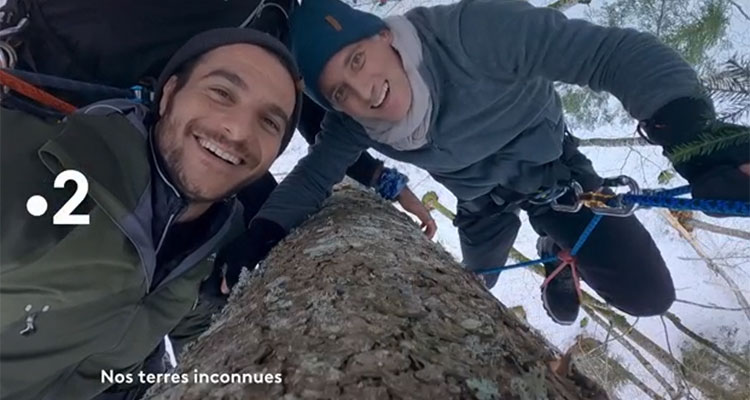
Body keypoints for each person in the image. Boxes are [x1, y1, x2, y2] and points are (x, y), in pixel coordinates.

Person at [220, 0, 750, 326]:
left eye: (358, 60)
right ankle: (553, 250)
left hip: (557, 180)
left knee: (649, 296)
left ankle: (555, 245)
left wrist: (689, 133)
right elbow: (315, 175)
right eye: (340, 91)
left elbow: (609, 55)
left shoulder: (472, 33)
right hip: (480, 204)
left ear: (384, 35)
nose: (364, 92)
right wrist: (262, 233)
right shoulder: (352, 121)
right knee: (476, 290)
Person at [0, 28, 302, 400]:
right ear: (170, 94)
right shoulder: (38, 164)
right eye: (221, 93)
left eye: (269, 122)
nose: (238, 130)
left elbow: (186, 322)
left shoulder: (220, 241)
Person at [0, 0, 436, 240]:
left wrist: (377, 175)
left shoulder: (283, 16)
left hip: (120, 145)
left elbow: (299, 102)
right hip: (27, 90)